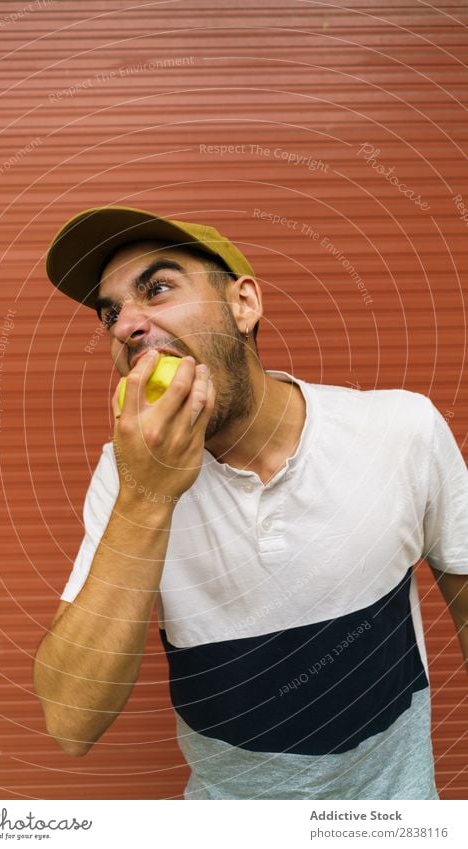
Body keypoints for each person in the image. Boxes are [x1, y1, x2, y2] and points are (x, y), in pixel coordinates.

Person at [34, 205, 468, 800]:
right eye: (111, 313)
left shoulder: (402, 430)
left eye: (157, 288)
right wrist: (147, 496)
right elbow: (70, 722)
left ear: (244, 304)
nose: (125, 326)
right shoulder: (126, 475)